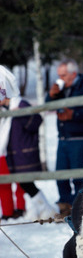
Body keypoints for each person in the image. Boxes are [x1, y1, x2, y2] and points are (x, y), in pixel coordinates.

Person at [46, 58, 83, 217]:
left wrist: (74, 115)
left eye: (63, 75)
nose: (60, 79)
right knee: (60, 174)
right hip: (62, 137)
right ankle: (65, 207)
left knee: (77, 175)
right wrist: (51, 95)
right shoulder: (62, 88)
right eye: (59, 75)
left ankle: (79, 209)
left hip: (79, 137)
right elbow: (47, 104)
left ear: (73, 74)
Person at [0, 66, 54, 221]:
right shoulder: (6, 110)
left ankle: (45, 209)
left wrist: (20, 114)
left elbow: (35, 122)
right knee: (26, 184)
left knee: (26, 184)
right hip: (14, 155)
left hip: (23, 154)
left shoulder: (20, 104)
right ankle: (42, 209)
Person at [0, 66, 25, 220]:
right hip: (1, 150)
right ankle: (8, 211)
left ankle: (21, 208)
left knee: (20, 180)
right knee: (3, 182)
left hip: (16, 148)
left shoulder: (18, 104)